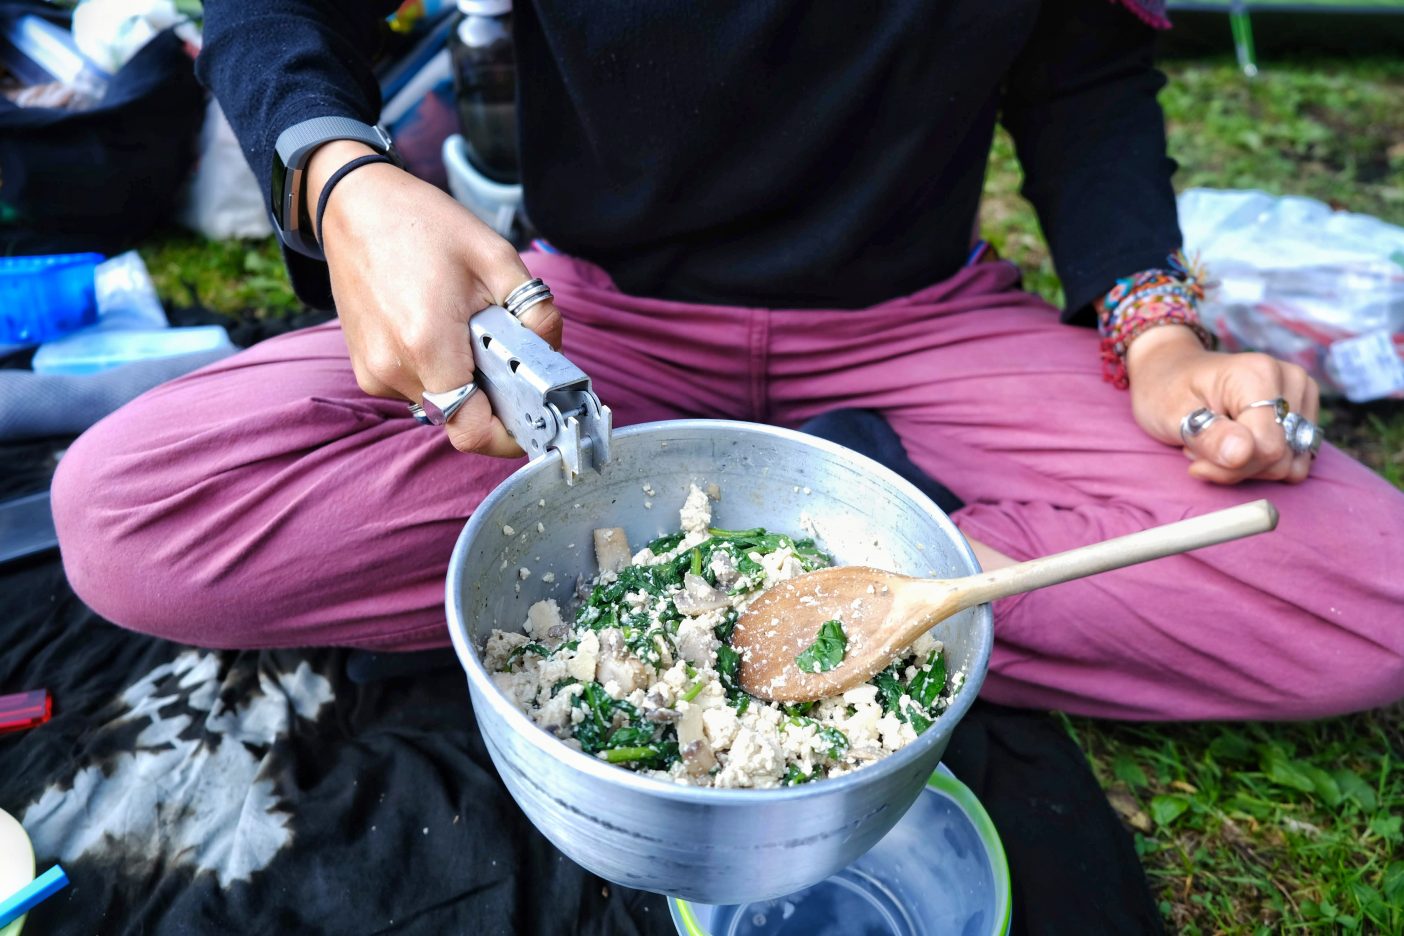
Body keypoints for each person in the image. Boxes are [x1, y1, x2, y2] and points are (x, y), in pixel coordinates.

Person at [53, 0, 1402, 721]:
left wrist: (1157, 331)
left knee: (1372, 600)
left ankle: (796, 567)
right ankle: (827, 553)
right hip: (597, 328)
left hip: (920, 330)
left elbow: (1082, 70)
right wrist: (340, 176)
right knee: (129, 513)